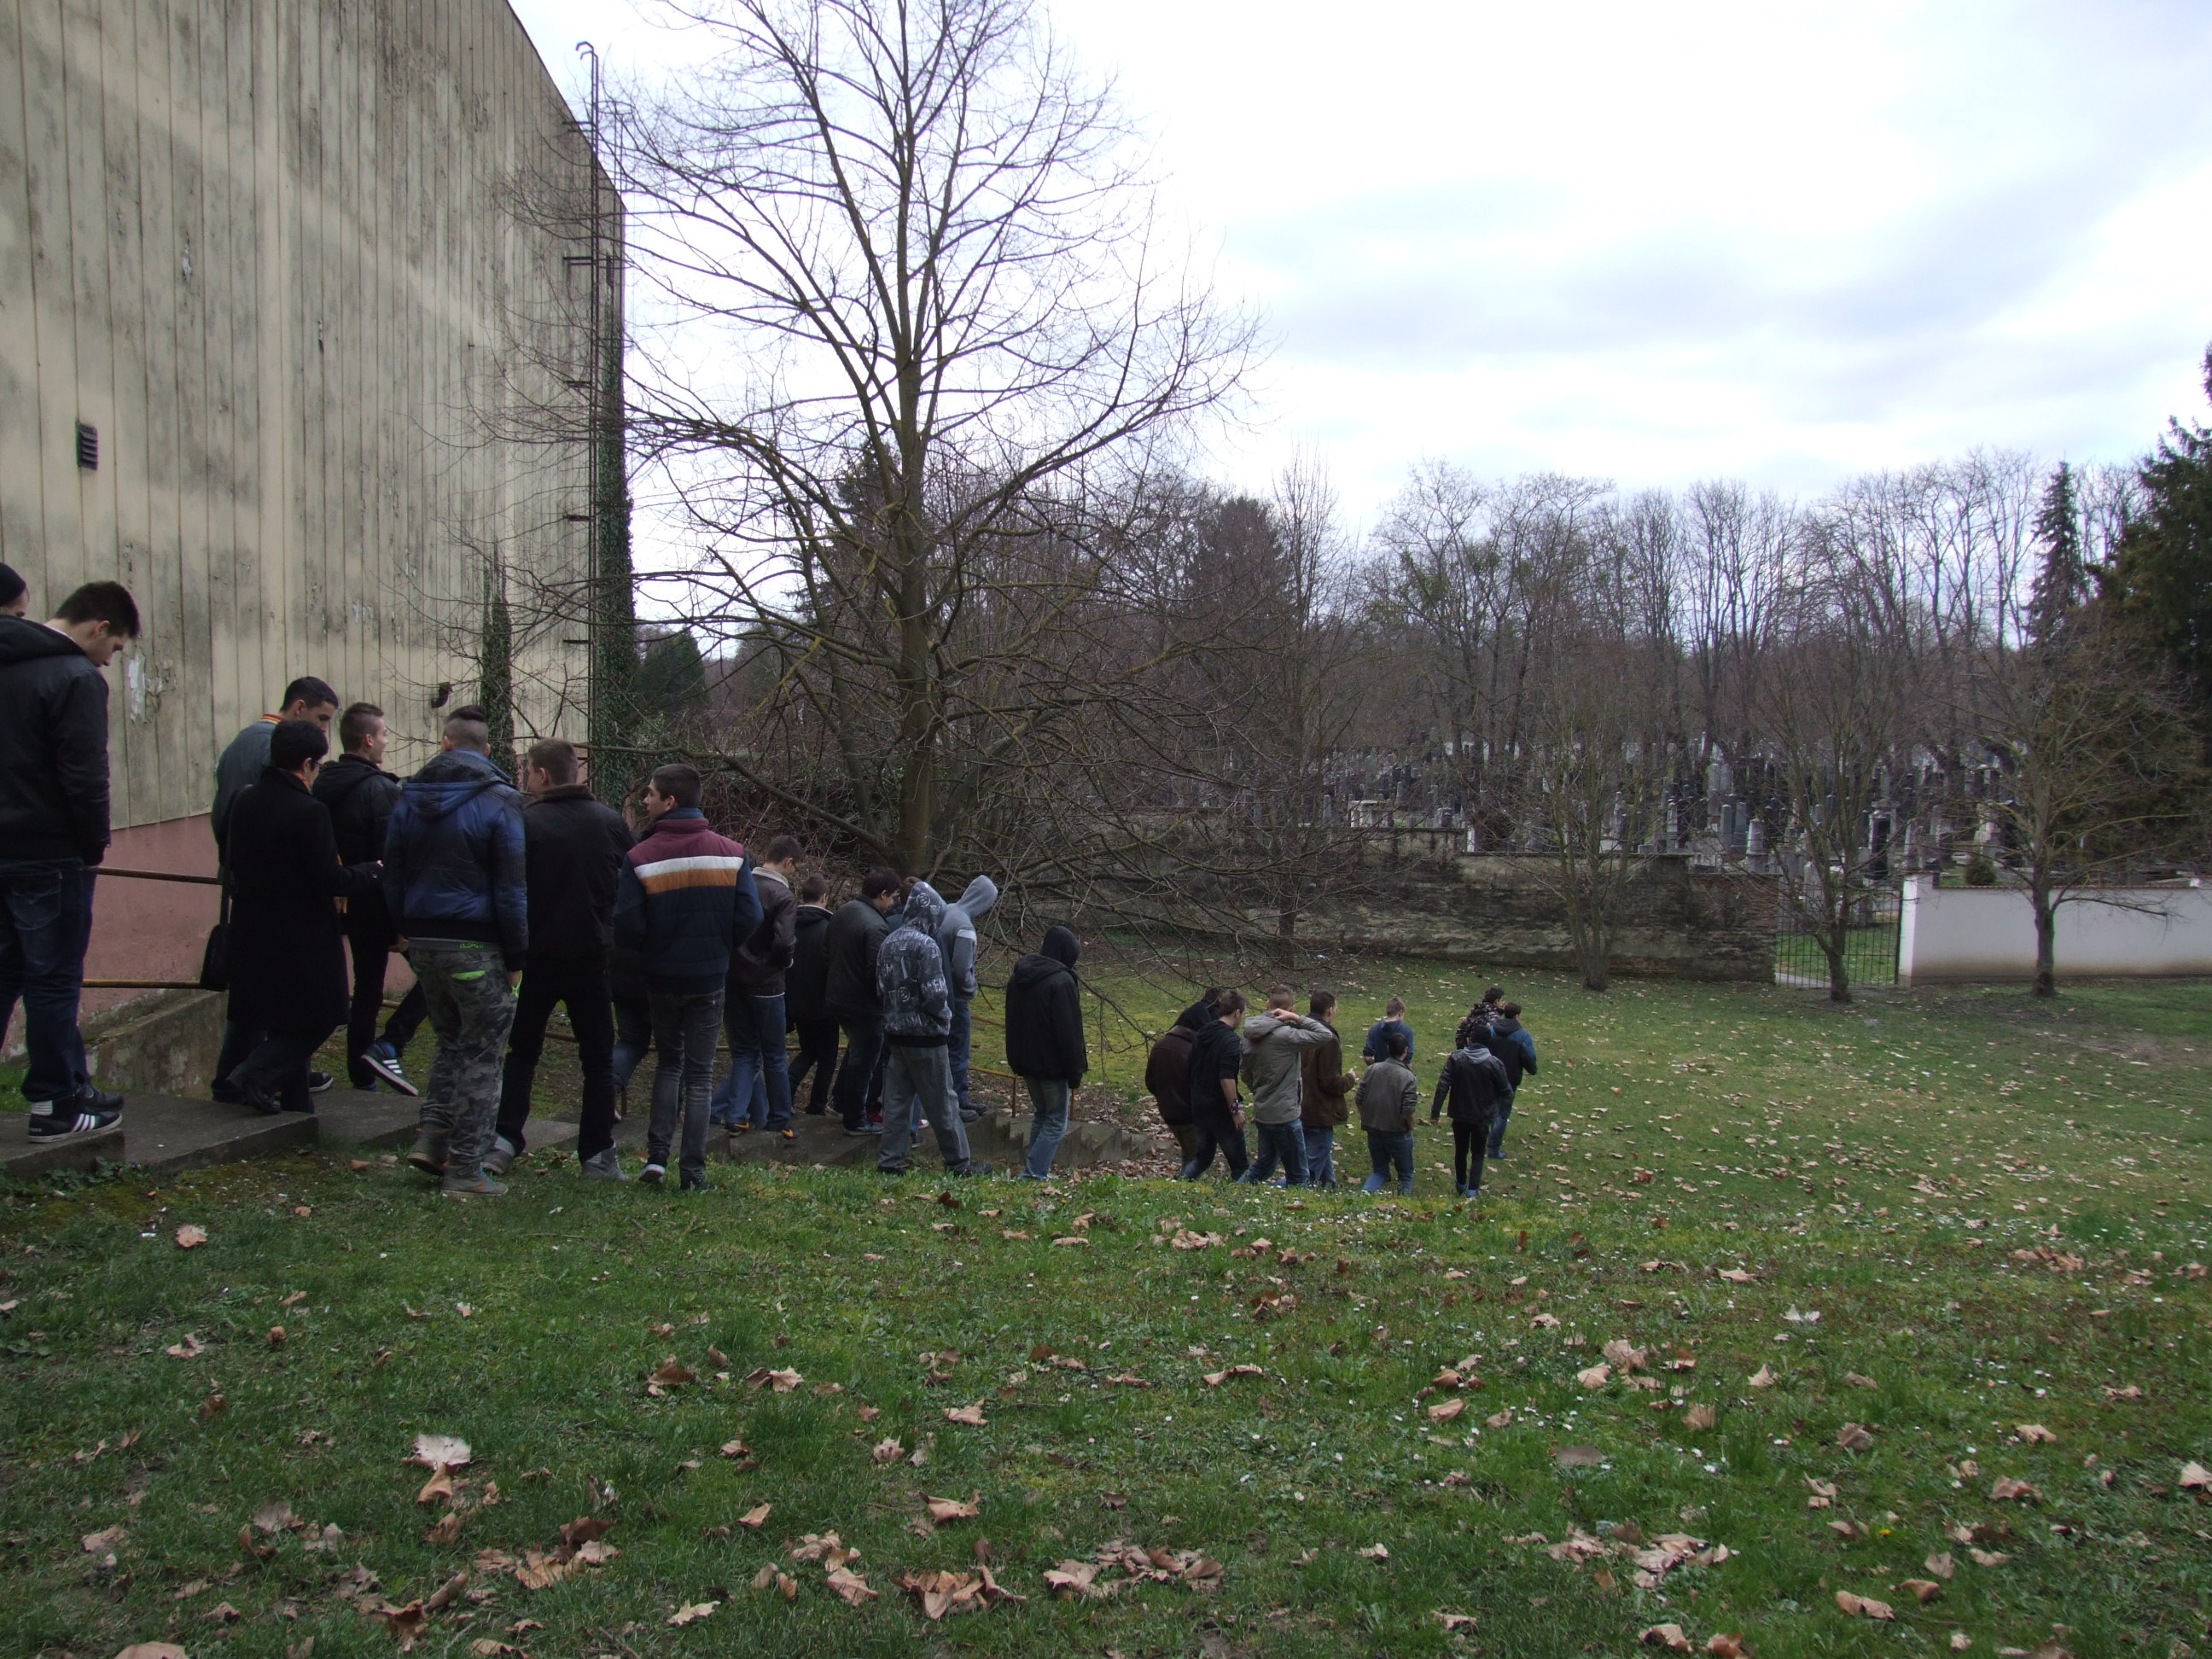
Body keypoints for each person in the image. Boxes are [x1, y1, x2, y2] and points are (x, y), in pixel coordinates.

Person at [0, 580, 137, 1139]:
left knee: (6, 973)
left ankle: (70, 1086)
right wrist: (92, 846)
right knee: (53, 979)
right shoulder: (75, 678)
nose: (110, 660)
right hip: (51, 853)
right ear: (98, 627)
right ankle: (56, 1102)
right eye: (116, 647)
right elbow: (85, 776)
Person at [382, 706, 530, 1196]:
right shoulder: (501, 799)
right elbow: (511, 887)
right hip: (476, 943)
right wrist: (516, 957)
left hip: (424, 941)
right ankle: (466, 1167)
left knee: (450, 1042)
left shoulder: (408, 796)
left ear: (445, 743)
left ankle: (431, 1138)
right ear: (486, 750)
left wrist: (403, 931)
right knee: (484, 1052)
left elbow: (392, 874)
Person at [221, 719, 383, 1113]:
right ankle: (254, 1074)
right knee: (321, 1016)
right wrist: (373, 870)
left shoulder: (244, 800)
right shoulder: (309, 811)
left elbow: (232, 859)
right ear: (307, 764)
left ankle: (296, 1104)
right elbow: (329, 878)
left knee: (284, 1018)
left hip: (253, 925)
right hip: (302, 933)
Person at [612, 764, 759, 1190]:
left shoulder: (640, 857)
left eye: (651, 793)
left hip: (661, 976)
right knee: (699, 1074)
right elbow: (750, 915)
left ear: (670, 801)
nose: (646, 800)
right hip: (709, 977)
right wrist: (720, 946)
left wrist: (655, 948)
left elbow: (627, 923)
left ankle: (657, 1159)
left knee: (669, 1064)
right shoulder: (732, 854)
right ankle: (692, 1171)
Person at [491, 738, 632, 1178]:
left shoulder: (525, 822)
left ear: (542, 774)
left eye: (529, 772)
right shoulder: (610, 822)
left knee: (522, 1051)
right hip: (592, 955)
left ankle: (504, 1138)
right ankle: (597, 1151)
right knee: (598, 1056)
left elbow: (508, 888)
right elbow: (628, 889)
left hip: (537, 957)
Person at [210, 675, 340, 1103]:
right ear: (299, 708)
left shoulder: (247, 744)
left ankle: (267, 1077)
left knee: (261, 996)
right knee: (288, 1000)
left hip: (254, 888)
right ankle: (254, 1073)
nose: (324, 730)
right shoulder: (267, 747)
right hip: (276, 894)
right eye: (321, 719)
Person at [312, 703, 427, 1095]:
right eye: (383, 735)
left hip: (346, 901)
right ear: (366, 740)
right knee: (438, 975)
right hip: (379, 906)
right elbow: (392, 859)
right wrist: (400, 925)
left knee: (367, 991)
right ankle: (389, 1043)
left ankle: (363, 1078)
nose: (386, 741)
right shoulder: (379, 790)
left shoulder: (323, 783)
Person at [872, 881, 981, 1176]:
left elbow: (880, 988)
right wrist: (944, 1019)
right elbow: (935, 994)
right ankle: (960, 1163)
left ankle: (890, 1161)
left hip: (896, 1034)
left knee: (896, 1102)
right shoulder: (927, 945)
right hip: (927, 1037)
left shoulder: (889, 942)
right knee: (944, 1102)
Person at [718, 833, 800, 1144]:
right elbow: (784, 942)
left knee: (744, 1051)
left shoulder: (740, 885)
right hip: (767, 984)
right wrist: (785, 962)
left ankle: (736, 1115)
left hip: (733, 978)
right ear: (788, 862)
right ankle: (780, 1118)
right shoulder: (783, 897)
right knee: (775, 1055)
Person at [1003, 923, 1086, 1179]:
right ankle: (1034, 1173)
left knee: (1042, 1113)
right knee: (1056, 1121)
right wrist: (1075, 1070)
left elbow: (1012, 1021)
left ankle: (1035, 1169)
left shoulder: (1019, 978)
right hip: (1053, 1065)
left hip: (1027, 1060)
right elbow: (1069, 1031)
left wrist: (1015, 1059)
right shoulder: (1061, 982)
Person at [824, 868, 900, 1134]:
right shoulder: (877, 926)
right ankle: (855, 1118)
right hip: (862, 1005)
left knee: (857, 1052)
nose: (893, 903)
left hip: (837, 996)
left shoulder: (843, 911)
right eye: (893, 897)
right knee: (865, 1059)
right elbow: (876, 973)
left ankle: (841, 1102)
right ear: (883, 894)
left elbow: (827, 950)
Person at [1237, 987, 1333, 1186]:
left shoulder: (1249, 1034)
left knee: (1264, 1166)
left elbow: (1245, 1072)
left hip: (1263, 1110)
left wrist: (1260, 1089)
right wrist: (1298, 1018)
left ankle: (1236, 1191)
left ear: (1268, 1004)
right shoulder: (1286, 1036)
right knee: (1299, 1175)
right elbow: (1324, 1034)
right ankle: (1294, 1203)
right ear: (1291, 1009)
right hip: (1285, 1115)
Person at [934, 875, 999, 1121]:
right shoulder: (965, 928)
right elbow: (961, 970)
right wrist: (971, 987)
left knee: (945, 1049)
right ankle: (957, 1101)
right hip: (957, 998)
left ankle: (951, 1098)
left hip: (937, 992)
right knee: (958, 1051)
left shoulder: (947, 910)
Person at [1178, 990, 1250, 1181]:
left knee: (1202, 1159)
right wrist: (1235, 1110)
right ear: (1237, 1013)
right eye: (1243, 1014)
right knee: (1240, 1166)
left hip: (1200, 1107)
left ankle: (1178, 1185)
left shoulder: (1202, 1033)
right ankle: (1244, 1195)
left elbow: (1191, 1066)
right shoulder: (1231, 1041)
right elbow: (1227, 1078)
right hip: (1221, 1112)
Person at [1431, 1035, 1511, 1199]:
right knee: (1478, 1154)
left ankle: (1461, 1184)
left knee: (1460, 1151)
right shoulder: (1494, 1063)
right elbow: (1506, 1091)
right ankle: (1473, 1190)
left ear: (1471, 1040)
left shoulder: (1457, 1058)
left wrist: (1435, 1112)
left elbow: (1443, 1084)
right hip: (1483, 1117)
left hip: (1459, 1113)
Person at [784, 873, 838, 1115]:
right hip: (824, 1004)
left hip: (795, 1001)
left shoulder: (790, 924)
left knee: (809, 1050)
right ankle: (817, 1104)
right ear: (824, 897)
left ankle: (786, 1090)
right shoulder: (829, 929)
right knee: (827, 1057)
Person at [1297, 990, 1358, 1190]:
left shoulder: (1301, 1031)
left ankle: (1330, 1189)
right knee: (1308, 1172)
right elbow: (1330, 1082)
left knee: (1321, 1158)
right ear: (1330, 1010)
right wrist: (1350, 1078)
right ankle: (1282, 1191)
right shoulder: (1327, 1039)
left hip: (1301, 1104)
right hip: (1319, 1110)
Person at [1356, 1029, 1420, 1195]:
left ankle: (1365, 1194)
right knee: (1405, 1174)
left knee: (1379, 1171)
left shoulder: (1372, 1070)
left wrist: (1366, 1117)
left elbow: (1359, 1098)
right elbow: (1408, 1111)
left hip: (1374, 1129)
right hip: (1397, 1132)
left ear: (1387, 1048)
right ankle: (1404, 1201)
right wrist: (1410, 1126)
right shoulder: (1408, 1077)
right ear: (1406, 1051)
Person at [1144, 1005, 1207, 1164]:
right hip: (1189, 1115)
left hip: (1168, 1111)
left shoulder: (1160, 1044)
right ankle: (1185, 1179)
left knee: (1188, 1154)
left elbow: (1150, 1080)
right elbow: (1200, 1086)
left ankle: (1184, 1176)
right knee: (1197, 1159)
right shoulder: (1192, 1050)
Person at [1481, 999, 1540, 1160]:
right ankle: (1493, 1148)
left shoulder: (1492, 1030)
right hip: (1509, 1079)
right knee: (1502, 1114)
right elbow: (1530, 1058)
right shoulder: (1523, 1036)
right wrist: (1532, 1069)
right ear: (1518, 1016)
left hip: (1489, 1075)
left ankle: (1480, 1140)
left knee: (1486, 1108)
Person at [1362, 996, 1415, 1066]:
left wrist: (1377, 1068)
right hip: (1399, 1071)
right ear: (1400, 1012)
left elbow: (1367, 1057)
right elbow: (1408, 1060)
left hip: (1379, 1071)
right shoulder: (1407, 1032)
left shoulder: (1374, 1030)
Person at [1454, 986, 1504, 1051]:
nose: (1502, 1003)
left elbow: (1460, 1033)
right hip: (1485, 1053)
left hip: (1470, 1050)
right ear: (1496, 1001)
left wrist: (1463, 1050)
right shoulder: (1494, 1017)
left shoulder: (1476, 1011)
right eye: (1501, 1001)